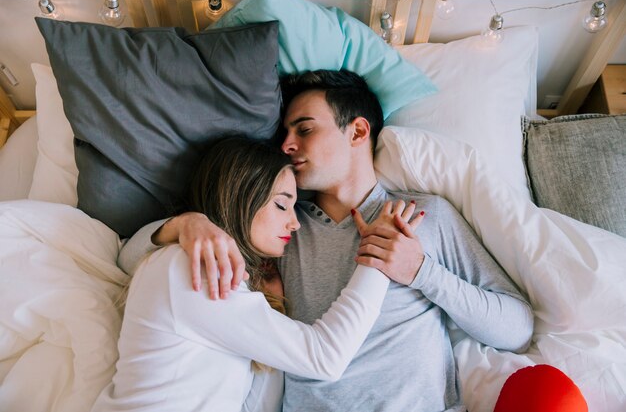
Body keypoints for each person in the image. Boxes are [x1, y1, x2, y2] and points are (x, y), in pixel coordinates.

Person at [119, 70, 534, 412]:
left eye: (305, 129)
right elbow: (131, 259)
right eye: (285, 132)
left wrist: (423, 272)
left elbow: (517, 329)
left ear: (357, 131)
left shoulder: (422, 217)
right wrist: (184, 224)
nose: (286, 145)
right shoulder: (277, 228)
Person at [95, 136, 423, 412]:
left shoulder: (197, 271)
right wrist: (379, 253)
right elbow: (326, 358)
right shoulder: (191, 269)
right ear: (241, 197)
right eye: (282, 205)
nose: (294, 223)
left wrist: (272, 304)